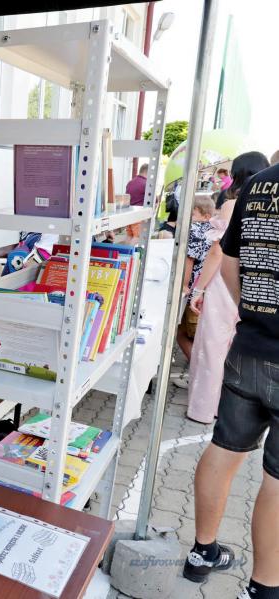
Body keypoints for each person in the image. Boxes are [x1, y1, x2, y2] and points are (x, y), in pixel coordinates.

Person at [184, 155, 279, 599]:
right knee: (276, 480)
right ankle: (264, 589)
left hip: (249, 346)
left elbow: (228, 260)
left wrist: (251, 311)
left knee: (224, 448)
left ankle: (202, 551)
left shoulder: (257, 185)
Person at [186, 152, 271, 421]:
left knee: (213, 346)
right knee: (235, 346)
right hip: (254, 282)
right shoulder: (268, 205)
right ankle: (229, 408)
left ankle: (204, 408)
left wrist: (198, 289)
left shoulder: (233, 204)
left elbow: (217, 252)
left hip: (225, 280)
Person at [173, 194, 215, 380]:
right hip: (208, 289)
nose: (189, 218)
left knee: (183, 333)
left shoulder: (194, 229)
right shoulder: (214, 230)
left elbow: (188, 260)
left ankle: (201, 375)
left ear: (205, 215)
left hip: (193, 291)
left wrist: (183, 285)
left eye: (193, 214)